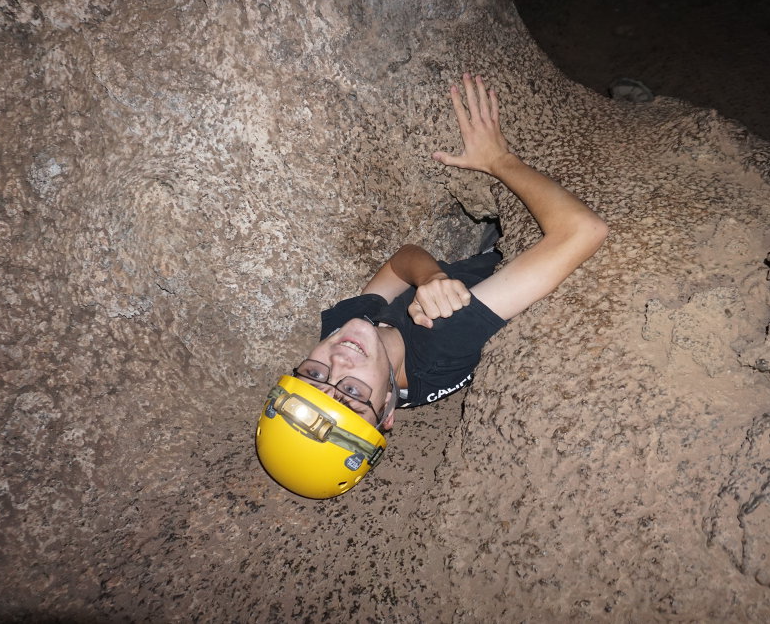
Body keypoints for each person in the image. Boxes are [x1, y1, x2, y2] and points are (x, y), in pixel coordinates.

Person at [256, 73, 608, 498]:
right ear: (388, 412)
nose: (338, 361)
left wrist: (429, 277)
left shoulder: (347, 333)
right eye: (350, 390)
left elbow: (400, 261)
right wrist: (498, 160)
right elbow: (582, 231)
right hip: (531, 250)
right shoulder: (442, 340)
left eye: (313, 373)